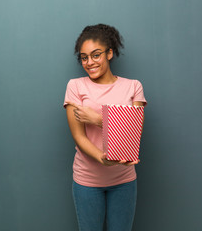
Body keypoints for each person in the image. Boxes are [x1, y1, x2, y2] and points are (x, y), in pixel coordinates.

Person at [63, 24, 147, 231]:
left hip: (124, 180)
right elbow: (79, 137)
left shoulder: (133, 86)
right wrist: (101, 157)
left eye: (96, 55)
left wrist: (98, 118)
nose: (89, 62)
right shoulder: (75, 86)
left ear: (110, 53)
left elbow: (133, 131)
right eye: (84, 57)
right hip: (87, 181)